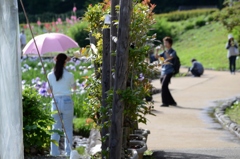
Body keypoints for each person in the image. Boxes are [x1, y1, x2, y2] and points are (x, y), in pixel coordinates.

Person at [47, 53, 76, 156]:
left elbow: (49, 91)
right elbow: (74, 88)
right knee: (68, 128)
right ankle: (68, 152)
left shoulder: (50, 75)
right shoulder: (70, 75)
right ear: (65, 62)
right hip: (67, 101)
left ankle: (54, 152)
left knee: (55, 128)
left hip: (56, 102)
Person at [155, 37, 177, 107]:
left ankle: (165, 102)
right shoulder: (164, 52)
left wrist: (164, 51)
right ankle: (172, 102)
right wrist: (156, 51)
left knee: (164, 86)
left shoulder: (173, 51)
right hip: (163, 71)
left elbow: (170, 57)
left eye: (166, 43)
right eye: (164, 43)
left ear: (170, 43)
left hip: (169, 71)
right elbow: (157, 57)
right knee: (165, 87)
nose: (165, 44)